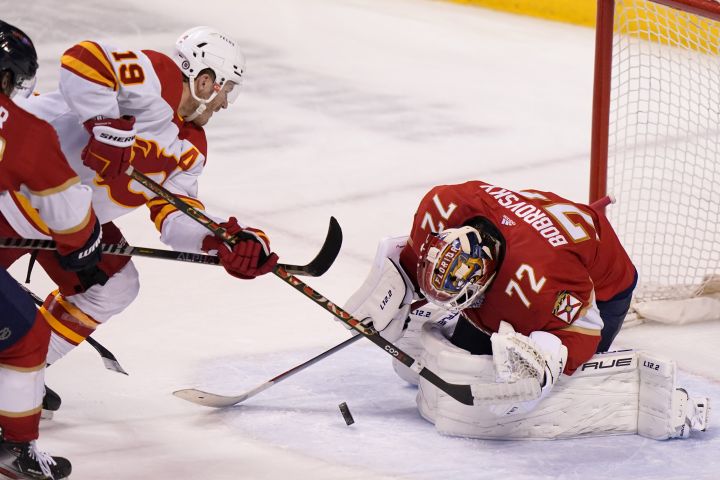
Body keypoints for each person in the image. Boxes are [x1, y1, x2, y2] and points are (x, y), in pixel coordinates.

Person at [0, 26, 279, 413]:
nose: (226, 104)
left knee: (116, 284)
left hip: (71, 221)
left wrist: (224, 240)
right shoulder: (158, 77)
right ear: (204, 80)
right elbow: (83, 59)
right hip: (16, 186)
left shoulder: (191, 147)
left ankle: (18, 374)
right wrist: (103, 123)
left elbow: (174, 215)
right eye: (226, 89)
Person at [345, 180, 709, 440]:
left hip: (600, 291)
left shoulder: (542, 282)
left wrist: (546, 364)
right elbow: (414, 259)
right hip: (528, 255)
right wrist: (388, 295)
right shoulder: (444, 206)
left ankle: (657, 403)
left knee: (564, 382)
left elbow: (583, 329)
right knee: (474, 356)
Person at [0, 20, 103, 479]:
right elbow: (70, 221)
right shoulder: (27, 130)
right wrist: (83, 244)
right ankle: (14, 451)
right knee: (27, 337)